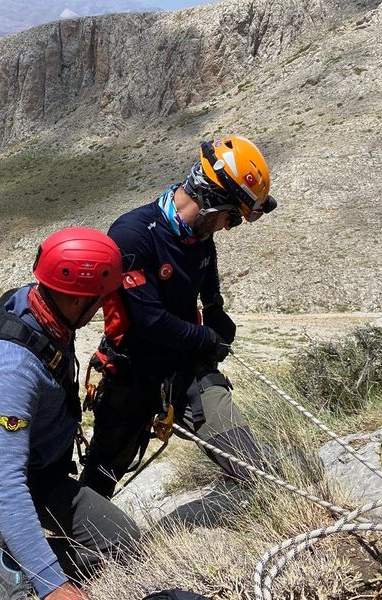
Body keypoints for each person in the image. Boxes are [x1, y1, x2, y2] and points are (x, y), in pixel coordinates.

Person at [79, 135, 277, 498]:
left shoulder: (199, 236)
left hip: (185, 370)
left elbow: (206, 267)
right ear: (210, 202)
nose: (228, 228)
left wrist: (214, 307)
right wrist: (206, 338)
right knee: (99, 481)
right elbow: (148, 320)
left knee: (247, 461)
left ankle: (272, 500)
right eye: (230, 219)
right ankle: (69, 545)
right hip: (133, 375)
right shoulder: (133, 236)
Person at [0, 227, 140, 600]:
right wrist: (53, 585)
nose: (101, 308)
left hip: (48, 471)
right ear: (79, 301)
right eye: (99, 300)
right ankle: (3, 564)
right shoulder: (14, 369)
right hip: (27, 478)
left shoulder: (45, 308)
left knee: (124, 542)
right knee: (30, 588)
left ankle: (22, 551)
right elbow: (5, 482)